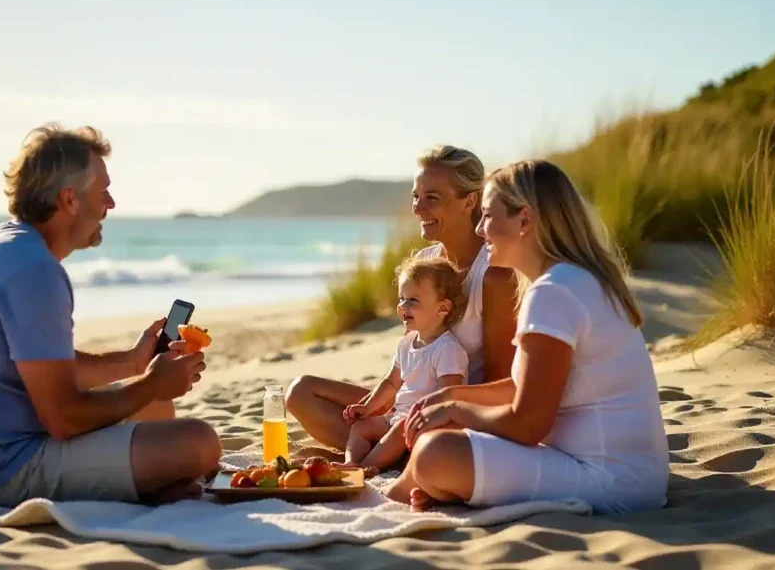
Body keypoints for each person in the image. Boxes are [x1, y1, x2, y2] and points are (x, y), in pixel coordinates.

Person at [0, 123, 221, 507]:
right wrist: (153, 383)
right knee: (198, 443)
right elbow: (64, 419)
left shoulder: (9, 246)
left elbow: (46, 367)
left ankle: (148, 484)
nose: (111, 204)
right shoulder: (34, 270)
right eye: (104, 191)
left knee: (152, 407)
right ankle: (148, 484)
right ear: (71, 199)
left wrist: (132, 363)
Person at [384, 159, 669, 515]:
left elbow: (528, 423)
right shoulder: (573, 279)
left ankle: (393, 496)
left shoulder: (554, 292)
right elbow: (524, 388)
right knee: (444, 434)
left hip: (610, 481)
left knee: (436, 451)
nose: (479, 230)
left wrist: (456, 409)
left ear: (524, 220)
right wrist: (452, 395)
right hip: (626, 474)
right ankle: (411, 490)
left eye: (488, 216)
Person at [286, 144, 518, 452]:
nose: (418, 209)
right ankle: (391, 452)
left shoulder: (493, 275)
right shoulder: (425, 262)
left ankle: (396, 453)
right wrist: (377, 405)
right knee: (301, 392)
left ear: (470, 201)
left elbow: (500, 385)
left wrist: (440, 410)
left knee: (421, 439)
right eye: (415, 196)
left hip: (458, 415)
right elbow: (411, 355)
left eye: (432, 198)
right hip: (410, 403)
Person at [342, 255, 468, 474]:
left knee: (400, 428)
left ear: (443, 308)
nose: (403, 306)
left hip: (425, 424)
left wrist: (421, 418)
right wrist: (368, 407)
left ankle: (366, 467)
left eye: (413, 300)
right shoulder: (407, 342)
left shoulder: (447, 349)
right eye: (401, 298)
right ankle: (351, 463)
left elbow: (450, 394)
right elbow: (391, 382)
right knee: (362, 426)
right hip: (398, 417)